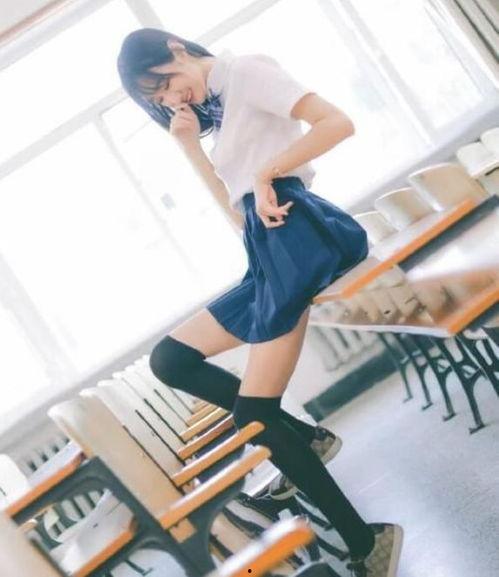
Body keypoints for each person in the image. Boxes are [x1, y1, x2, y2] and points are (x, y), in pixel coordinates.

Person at [117, 28, 403, 577]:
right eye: (159, 99)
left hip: (297, 237)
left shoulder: (246, 71)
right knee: (170, 359)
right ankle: (308, 438)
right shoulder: (217, 110)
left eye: (166, 83)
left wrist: (269, 171)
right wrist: (189, 147)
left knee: (255, 416)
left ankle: (366, 542)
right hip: (268, 243)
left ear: (176, 49)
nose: (172, 99)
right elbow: (238, 212)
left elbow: (337, 122)